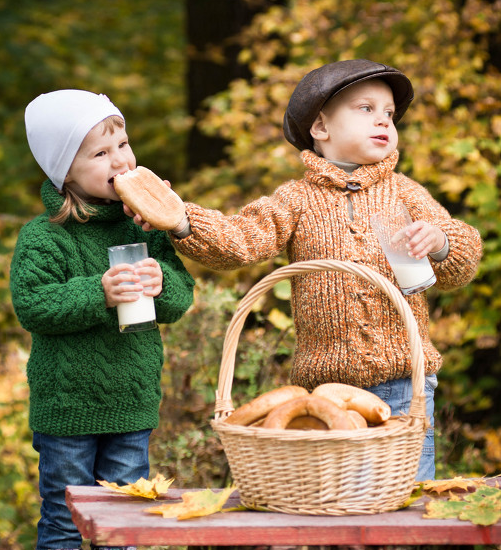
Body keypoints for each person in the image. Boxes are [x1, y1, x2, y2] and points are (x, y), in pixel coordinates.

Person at [127, 59, 482, 481]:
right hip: (327, 394)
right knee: (337, 495)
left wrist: (441, 244)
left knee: (407, 494)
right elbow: (239, 242)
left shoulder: (406, 194)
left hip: (406, 383)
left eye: (389, 113)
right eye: (366, 109)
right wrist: (183, 220)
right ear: (320, 128)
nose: (383, 121)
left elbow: (462, 263)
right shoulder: (295, 199)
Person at [10, 90, 194, 550]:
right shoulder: (46, 237)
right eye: (99, 153)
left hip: (131, 401)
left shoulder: (149, 224)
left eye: (123, 144)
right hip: (68, 406)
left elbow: (183, 296)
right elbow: (33, 304)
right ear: (64, 171)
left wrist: (162, 284)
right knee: (65, 511)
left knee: (122, 510)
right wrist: (99, 291)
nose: (119, 161)